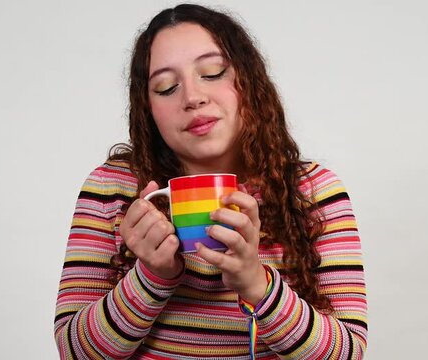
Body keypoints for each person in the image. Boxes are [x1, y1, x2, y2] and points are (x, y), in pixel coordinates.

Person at [54, 4, 367, 359]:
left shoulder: (314, 192)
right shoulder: (111, 188)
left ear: (248, 81)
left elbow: (348, 354)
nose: (192, 97)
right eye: (166, 87)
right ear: (148, 109)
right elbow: (74, 352)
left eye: (213, 72)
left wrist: (256, 285)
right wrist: (152, 276)